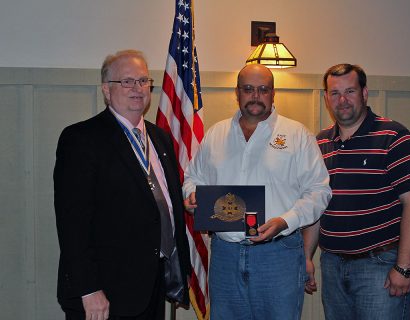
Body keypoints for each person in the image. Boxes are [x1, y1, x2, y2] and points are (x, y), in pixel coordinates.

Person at [183, 64, 332, 320]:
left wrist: (285, 220)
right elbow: (192, 177)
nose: (255, 96)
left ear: (273, 94)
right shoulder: (215, 134)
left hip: (278, 255)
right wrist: (194, 195)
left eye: (263, 89)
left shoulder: (297, 135)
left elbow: (319, 191)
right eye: (248, 89)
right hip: (225, 256)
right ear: (237, 92)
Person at [54, 49, 191, 320]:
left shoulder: (160, 138)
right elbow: (72, 224)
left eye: (143, 81)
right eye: (126, 81)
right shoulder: (81, 139)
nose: (137, 88)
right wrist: (89, 289)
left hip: (153, 284)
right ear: (107, 90)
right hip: (104, 292)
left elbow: (159, 201)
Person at [302, 63, 410, 320]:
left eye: (350, 91)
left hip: (380, 265)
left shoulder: (395, 137)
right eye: (335, 93)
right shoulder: (320, 143)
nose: (343, 100)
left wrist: (403, 268)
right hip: (333, 265)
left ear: (365, 93)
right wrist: (306, 257)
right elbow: (315, 207)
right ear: (326, 98)